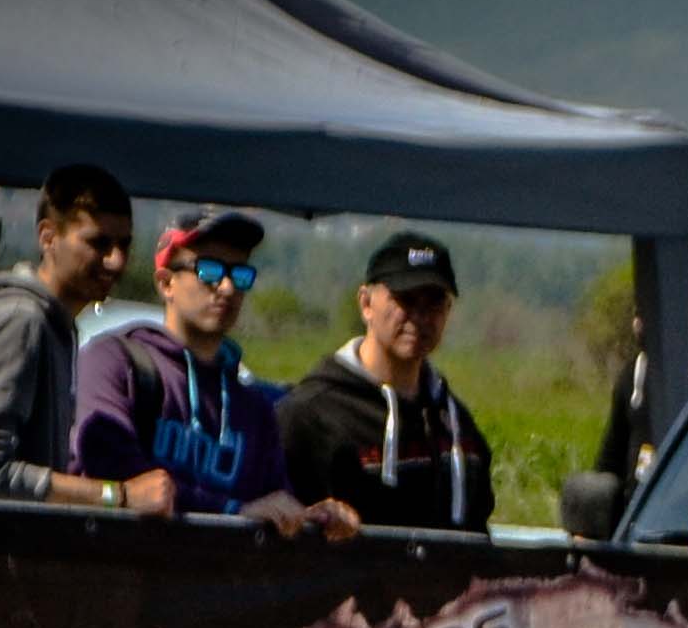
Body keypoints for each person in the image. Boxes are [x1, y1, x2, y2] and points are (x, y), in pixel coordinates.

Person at [70, 212, 354, 536]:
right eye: (209, 270)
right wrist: (231, 512)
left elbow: (274, 504)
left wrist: (311, 519)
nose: (227, 288)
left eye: (240, 274)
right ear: (166, 283)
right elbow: (107, 471)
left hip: (217, 570)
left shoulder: (254, 410)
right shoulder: (114, 362)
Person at [0, 165, 145, 508]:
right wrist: (117, 495)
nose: (116, 261)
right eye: (98, 243)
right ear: (48, 237)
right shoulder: (21, 322)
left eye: (124, 244)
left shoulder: (54, 326)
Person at [282, 230, 494, 532]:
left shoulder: (456, 425)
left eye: (434, 302)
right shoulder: (309, 414)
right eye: (405, 299)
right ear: (366, 303)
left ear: (448, 310)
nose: (419, 316)